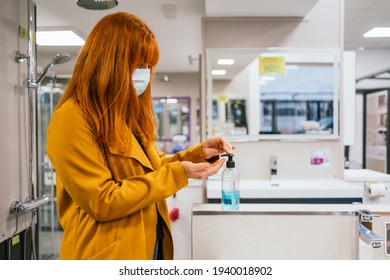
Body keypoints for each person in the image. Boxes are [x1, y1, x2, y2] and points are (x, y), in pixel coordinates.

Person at [46, 12, 234, 260]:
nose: (145, 74)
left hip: (149, 245)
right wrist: (179, 173)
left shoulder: (125, 116)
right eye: (138, 65)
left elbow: (151, 170)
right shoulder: (71, 119)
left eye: (148, 66)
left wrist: (198, 154)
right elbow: (102, 201)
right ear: (109, 62)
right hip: (107, 255)